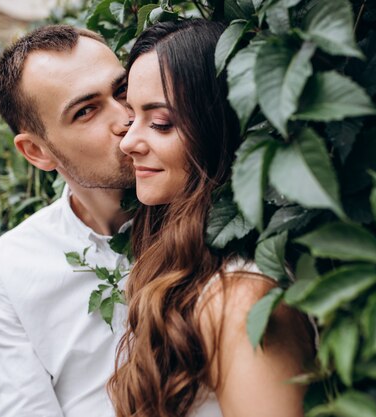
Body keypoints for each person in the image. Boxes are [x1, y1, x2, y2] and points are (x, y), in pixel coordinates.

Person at [110, 19, 314, 417]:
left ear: (217, 128)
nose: (130, 142)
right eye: (131, 116)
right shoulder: (185, 271)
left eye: (160, 123)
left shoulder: (242, 301)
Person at [0, 25, 134, 417]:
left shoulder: (217, 211)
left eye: (121, 91)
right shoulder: (10, 268)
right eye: (86, 111)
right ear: (37, 151)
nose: (126, 119)